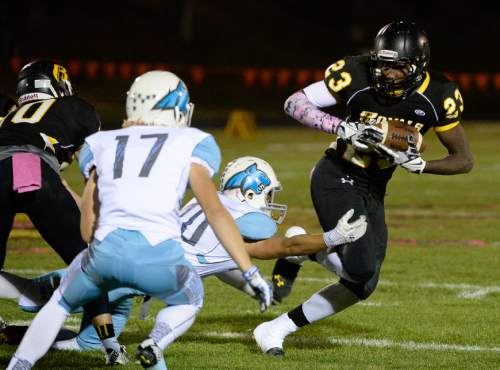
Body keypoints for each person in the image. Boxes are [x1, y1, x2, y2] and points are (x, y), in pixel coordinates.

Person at [6, 70, 275, 370]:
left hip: (105, 253)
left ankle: (19, 364)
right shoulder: (192, 141)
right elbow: (215, 211)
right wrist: (250, 272)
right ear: (175, 107)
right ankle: (155, 341)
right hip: (160, 257)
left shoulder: (103, 143)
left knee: (59, 303)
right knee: (190, 298)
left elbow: (87, 220)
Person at [254, 20, 474, 356]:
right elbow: (294, 103)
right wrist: (343, 127)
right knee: (360, 268)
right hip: (336, 174)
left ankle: (277, 325)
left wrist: (422, 166)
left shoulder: (439, 95)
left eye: (397, 68)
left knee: (364, 284)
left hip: (374, 186)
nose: (387, 74)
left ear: (417, 67)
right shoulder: (356, 74)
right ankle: (306, 252)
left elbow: (463, 159)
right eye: (382, 65)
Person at [0, 156, 367, 352]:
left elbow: (248, 253)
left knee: (79, 326)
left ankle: (13, 335)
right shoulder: (247, 218)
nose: (269, 202)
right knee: (46, 298)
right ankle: (14, 330)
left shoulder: (203, 203)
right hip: (137, 273)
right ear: (252, 190)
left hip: (132, 263)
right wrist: (332, 237)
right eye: (266, 193)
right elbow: (278, 245)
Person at [0, 60, 124, 364]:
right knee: (86, 259)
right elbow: (92, 168)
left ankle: (23, 295)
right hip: (32, 169)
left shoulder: (8, 113)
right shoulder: (74, 108)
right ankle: (110, 344)